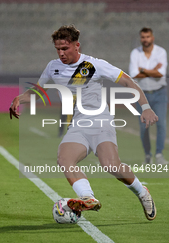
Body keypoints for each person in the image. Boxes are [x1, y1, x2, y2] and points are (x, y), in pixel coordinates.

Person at [9, 25, 158, 220]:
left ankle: (141, 191)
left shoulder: (93, 64)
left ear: (76, 45)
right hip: (78, 124)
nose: (61, 53)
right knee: (64, 159)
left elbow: (128, 82)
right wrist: (20, 98)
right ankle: (88, 197)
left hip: (100, 121)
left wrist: (145, 107)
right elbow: (38, 91)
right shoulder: (53, 66)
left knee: (111, 165)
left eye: (65, 49)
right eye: (58, 49)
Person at [129, 27, 168, 165]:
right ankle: (147, 155)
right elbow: (133, 74)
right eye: (143, 37)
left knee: (161, 124)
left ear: (152, 38)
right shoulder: (135, 53)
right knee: (144, 125)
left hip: (159, 92)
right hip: (141, 93)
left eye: (148, 37)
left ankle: (158, 154)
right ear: (141, 38)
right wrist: (153, 70)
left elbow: (161, 74)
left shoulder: (161, 52)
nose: (145, 39)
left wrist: (143, 70)